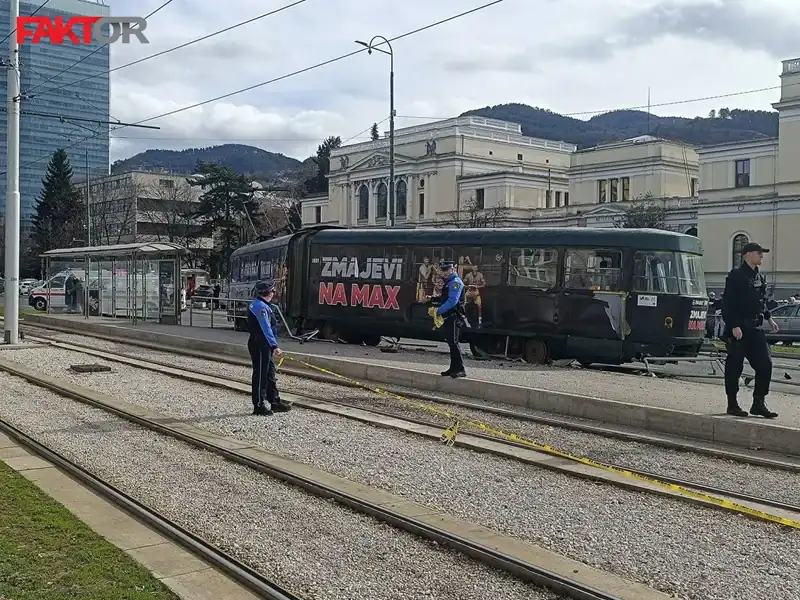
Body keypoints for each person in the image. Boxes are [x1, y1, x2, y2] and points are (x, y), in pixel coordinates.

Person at [721, 242, 779, 418]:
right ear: (747, 255)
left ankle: (758, 403)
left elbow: (761, 302)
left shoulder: (760, 277)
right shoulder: (736, 276)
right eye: (759, 253)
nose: (762, 256)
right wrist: (733, 325)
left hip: (755, 328)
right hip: (739, 329)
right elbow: (727, 304)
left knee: (765, 365)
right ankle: (732, 404)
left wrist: (769, 319)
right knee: (734, 368)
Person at [247, 281, 291, 416]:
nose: (273, 293)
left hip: (262, 343)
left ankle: (274, 401)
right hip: (260, 343)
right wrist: (275, 346)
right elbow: (266, 328)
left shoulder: (259, 304)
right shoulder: (261, 307)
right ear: (267, 293)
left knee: (270, 372)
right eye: (272, 291)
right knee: (260, 374)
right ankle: (258, 405)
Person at [428, 261, 466, 378]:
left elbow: (452, 301)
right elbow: (444, 298)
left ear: (453, 269)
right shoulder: (449, 282)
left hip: (454, 316)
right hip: (449, 316)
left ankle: (460, 369)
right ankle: (453, 368)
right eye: (443, 270)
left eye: (447, 270)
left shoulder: (455, 283)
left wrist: (438, 311)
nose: (445, 272)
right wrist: (432, 299)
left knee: (454, 343)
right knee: (450, 342)